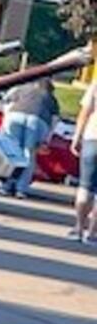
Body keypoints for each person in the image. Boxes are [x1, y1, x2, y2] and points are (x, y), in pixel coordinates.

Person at [0, 77, 56, 198]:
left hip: (14, 116)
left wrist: (4, 123)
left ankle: (5, 185)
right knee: (29, 154)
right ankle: (21, 189)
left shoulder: (21, 89)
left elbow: (6, 102)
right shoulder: (50, 97)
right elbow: (54, 119)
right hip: (38, 120)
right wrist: (46, 139)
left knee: (12, 151)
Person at [72, 78, 97, 243]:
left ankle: (79, 227)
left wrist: (77, 136)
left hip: (93, 137)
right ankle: (92, 233)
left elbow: (85, 111)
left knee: (85, 187)